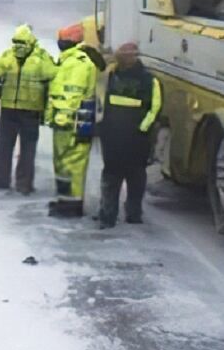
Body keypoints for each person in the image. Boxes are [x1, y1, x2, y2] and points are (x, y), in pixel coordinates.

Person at [0, 24, 57, 194]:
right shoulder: (42, 58)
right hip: (30, 110)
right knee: (27, 149)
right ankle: (24, 183)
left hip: (10, 108)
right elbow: (53, 79)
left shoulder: (7, 56)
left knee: (5, 146)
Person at [98, 42, 162, 227]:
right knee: (113, 175)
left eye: (128, 56)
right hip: (114, 136)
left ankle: (132, 213)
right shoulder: (111, 75)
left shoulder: (149, 80)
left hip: (135, 138)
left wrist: (142, 129)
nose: (125, 59)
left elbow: (155, 108)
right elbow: (102, 101)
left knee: (133, 176)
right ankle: (108, 215)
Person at [44, 23, 103, 217]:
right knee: (62, 164)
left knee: (74, 165)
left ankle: (72, 205)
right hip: (63, 122)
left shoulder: (78, 62)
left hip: (73, 122)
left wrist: (62, 116)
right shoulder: (67, 60)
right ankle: (64, 200)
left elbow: (72, 94)